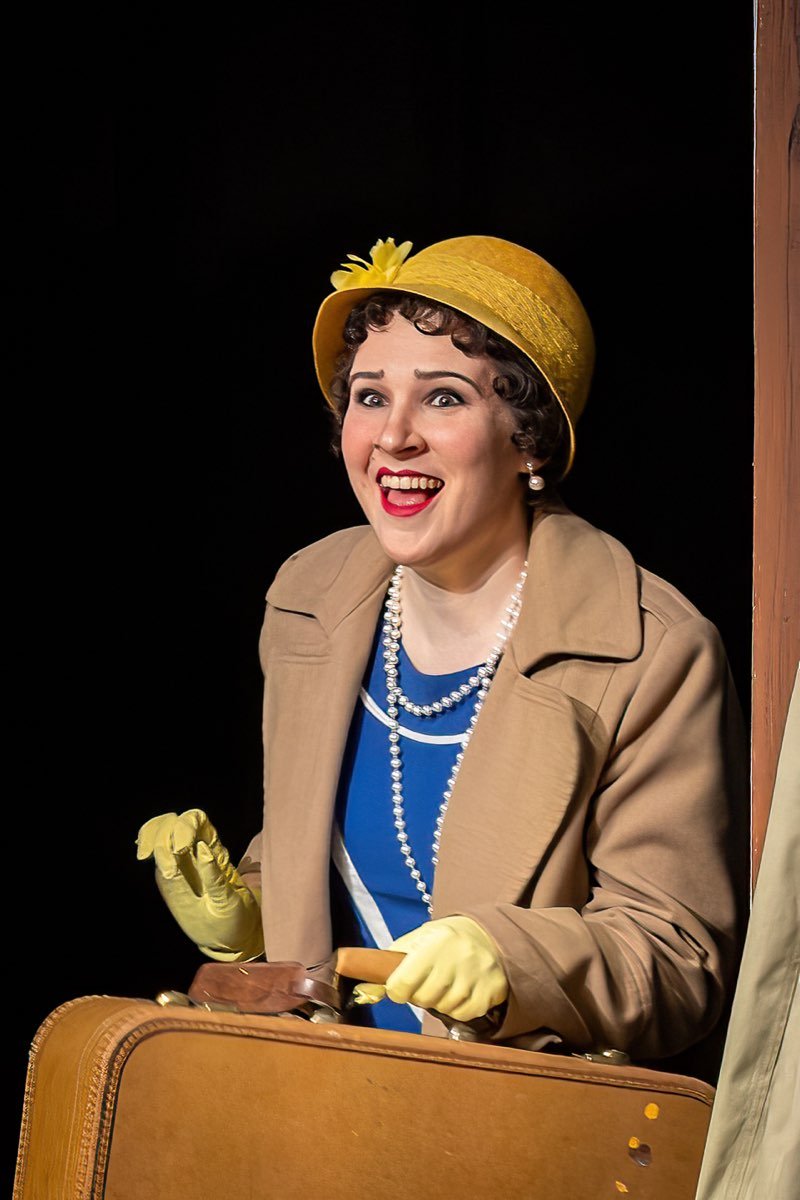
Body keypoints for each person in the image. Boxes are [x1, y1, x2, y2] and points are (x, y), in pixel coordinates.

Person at [137, 234, 748, 1065]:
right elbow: (340, 861)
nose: (393, 437)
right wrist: (252, 911)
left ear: (530, 438)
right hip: (306, 1094)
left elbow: (678, 960)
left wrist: (512, 961)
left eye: (444, 399)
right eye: (370, 397)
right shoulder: (307, 599)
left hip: (505, 1117)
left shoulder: (655, 653)